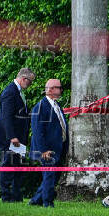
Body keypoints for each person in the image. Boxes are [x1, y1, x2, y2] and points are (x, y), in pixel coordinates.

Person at [0, 68, 35, 203]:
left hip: (19, 138)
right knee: (8, 165)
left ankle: (16, 196)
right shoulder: (10, 92)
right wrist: (12, 136)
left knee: (19, 166)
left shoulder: (18, 92)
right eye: (30, 82)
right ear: (24, 79)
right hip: (9, 139)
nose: (30, 85)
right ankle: (6, 196)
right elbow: (6, 116)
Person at [29, 79, 69, 208]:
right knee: (49, 175)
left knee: (53, 176)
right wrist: (43, 150)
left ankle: (36, 200)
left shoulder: (57, 106)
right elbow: (37, 131)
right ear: (51, 90)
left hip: (58, 148)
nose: (61, 90)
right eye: (59, 87)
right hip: (47, 150)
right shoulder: (41, 106)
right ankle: (48, 203)